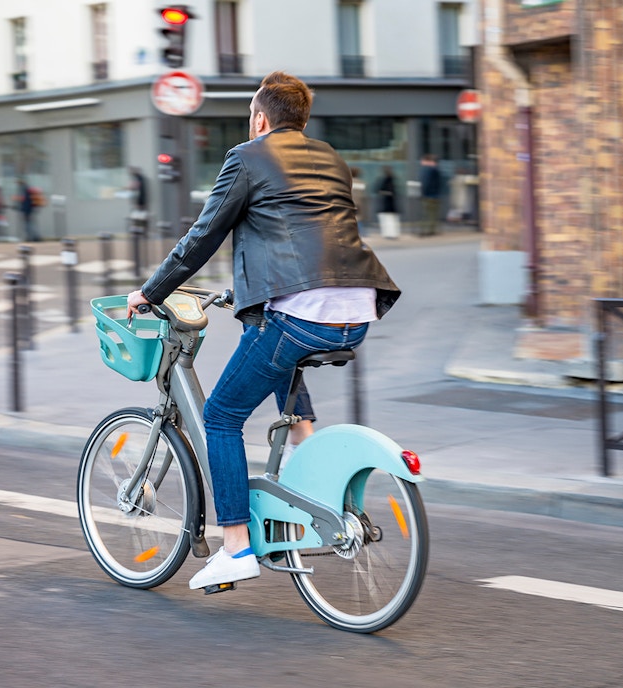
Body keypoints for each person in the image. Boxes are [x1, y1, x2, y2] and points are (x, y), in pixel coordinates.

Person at [127, 71, 400, 591]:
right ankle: (308, 456)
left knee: (222, 415)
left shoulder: (247, 157)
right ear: (302, 121)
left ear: (259, 119)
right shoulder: (331, 159)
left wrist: (151, 291)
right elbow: (305, 231)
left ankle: (235, 547)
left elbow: (204, 235)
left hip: (303, 311)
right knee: (269, 346)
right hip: (357, 309)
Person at [418, 154, 442, 236]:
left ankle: (425, 230)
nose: (421, 162)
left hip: (428, 195)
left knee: (427, 214)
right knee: (433, 214)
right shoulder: (435, 169)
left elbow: (425, 183)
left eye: (422, 161)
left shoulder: (427, 170)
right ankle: (431, 230)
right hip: (435, 195)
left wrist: (422, 193)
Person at [15, 177, 41, 242]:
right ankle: (35, 236)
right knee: (31, 224)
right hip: (30, 209)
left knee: (28, 225)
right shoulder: (28, 189)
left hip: (27, 210)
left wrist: (24, 210)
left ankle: (33, 237)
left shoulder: (24, 189)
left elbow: (25, 201)